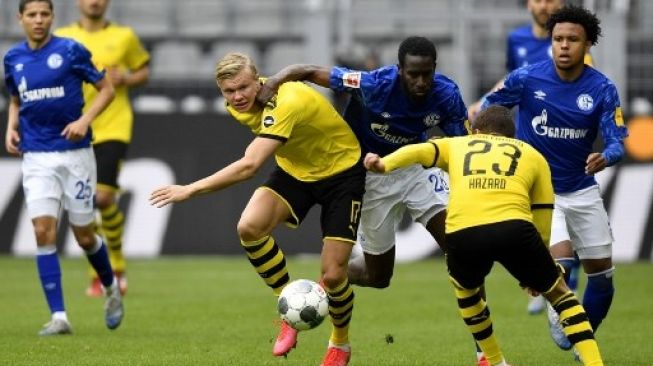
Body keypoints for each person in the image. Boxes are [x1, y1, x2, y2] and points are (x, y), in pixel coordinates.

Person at [258, 35, 490, 365]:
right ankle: (319, 289)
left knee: (462, 249)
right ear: (400, 70)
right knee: (378, 277)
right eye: (413, 74)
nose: (421, 81)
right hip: (368, 178)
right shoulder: (375, 83)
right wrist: (278, 79)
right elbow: (308, 70)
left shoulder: (447, 93)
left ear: (434, 70)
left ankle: (485, 352)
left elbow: (463, 147)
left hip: (416, 172)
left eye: (426, 73)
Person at [149, 52, 365, 366]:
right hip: (296, 170)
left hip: (342, 173)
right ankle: (288, 311)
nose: (237, 97)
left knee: (332, 277)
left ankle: (340, 345)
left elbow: (249, 165)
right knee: (249, 227)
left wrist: (189, 189)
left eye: (243, 88)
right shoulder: (238, 105)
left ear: (258, 80)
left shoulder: (285, 102)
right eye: (229, 91)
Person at [364, 105, 605, 366]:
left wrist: (384, 163)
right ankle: (595, 363)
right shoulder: (533, 155)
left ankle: (494, 360)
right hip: (514, 229)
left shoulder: (459, 144)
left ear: (477, 131)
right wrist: (535, 270)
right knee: (561, 295)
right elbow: (543, 216)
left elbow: (419, 150)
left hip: (463, 233)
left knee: (468, 294)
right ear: (512, 138)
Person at [482, 4, 628, 357]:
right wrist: (498, 140)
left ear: (588, 44)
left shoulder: (603, 89)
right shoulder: (527, 77)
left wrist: (606, 156)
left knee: (603, 281)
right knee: (559, 265)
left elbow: (616, 140)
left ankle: (582, 337)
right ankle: (556, 300)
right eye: (558, 38)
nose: (563, 45)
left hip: (581, 190)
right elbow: (489, 106)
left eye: (572, 40)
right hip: (540, 193)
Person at [3, 0, 123, 335]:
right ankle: (59, 316)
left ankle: (112, 290)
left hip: (75, 155)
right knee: (43, 231)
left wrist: (85, 120)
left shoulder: (71, 50)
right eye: (32, 15)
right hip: (37, 156)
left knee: (84, 236)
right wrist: (11, 126)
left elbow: (107, 89)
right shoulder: (13, 58)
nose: (38, 20)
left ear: (53, 18)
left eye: (44, 14)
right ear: (21, 19)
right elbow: (16, 97)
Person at [469, 0, 586, 316]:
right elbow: (510, 79)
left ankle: (561, 280)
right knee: (530, 216)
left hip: (564, 145)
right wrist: (481, 105)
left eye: (552, 0)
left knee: (563, 214)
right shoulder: (517, 40)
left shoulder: (571, 41)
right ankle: (543, 280)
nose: (545, 5)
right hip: (526, 143)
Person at [55, 0, 151, 297]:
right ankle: (99, 272)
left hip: (113, 125)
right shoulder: (61, 36)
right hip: (76, 127)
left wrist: (127, 78)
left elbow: (143, 70)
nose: (94, 2)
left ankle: (116, 267)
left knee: (104, 197)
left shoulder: (124, 36)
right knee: (84, 202)